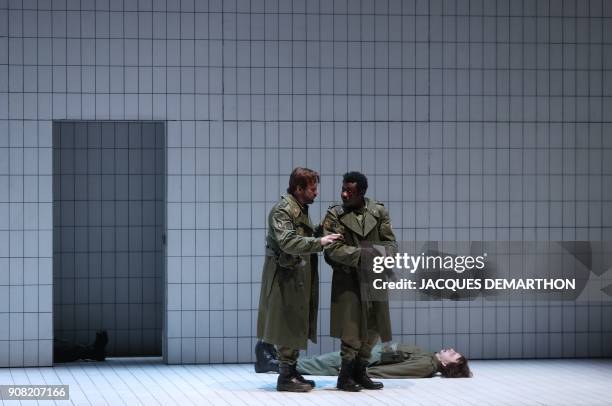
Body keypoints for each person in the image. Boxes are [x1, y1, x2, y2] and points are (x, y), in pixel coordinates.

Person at [256, 167, 343, 392]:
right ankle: (285, 377)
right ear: (298, 188)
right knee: (286, 323)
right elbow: (288, 241)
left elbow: (301, 235)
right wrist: (320, 242)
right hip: (284, 279)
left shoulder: (299, 209)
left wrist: (320, 230)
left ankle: (291, 369)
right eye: (312, 189)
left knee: (295, 322)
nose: (316, 193)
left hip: (296, 277)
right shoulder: (283, 211)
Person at [322, 171, 398, 391]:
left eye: (350, 191)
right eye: (343, 189)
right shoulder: (335, 214)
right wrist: (365, 255)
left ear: (362, 192)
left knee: (374, 326)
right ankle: (345, 375)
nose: (344, 194)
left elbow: (391, 244)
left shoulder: (378, 211)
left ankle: (360, 370)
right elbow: (333, 249)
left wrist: (380, 255)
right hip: (348, 278)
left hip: (374, 277)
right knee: (351, 328)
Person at [254, 342, 472, 379]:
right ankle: (278, 362)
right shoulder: (428, 357)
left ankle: (273, 364)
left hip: (369, 361)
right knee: (323, 360)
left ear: (446, 364)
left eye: (453, 354)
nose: (451, 350)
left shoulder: (427, 365)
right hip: (371, 354)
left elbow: (396, 371)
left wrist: (361, 372)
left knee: (324, 363)